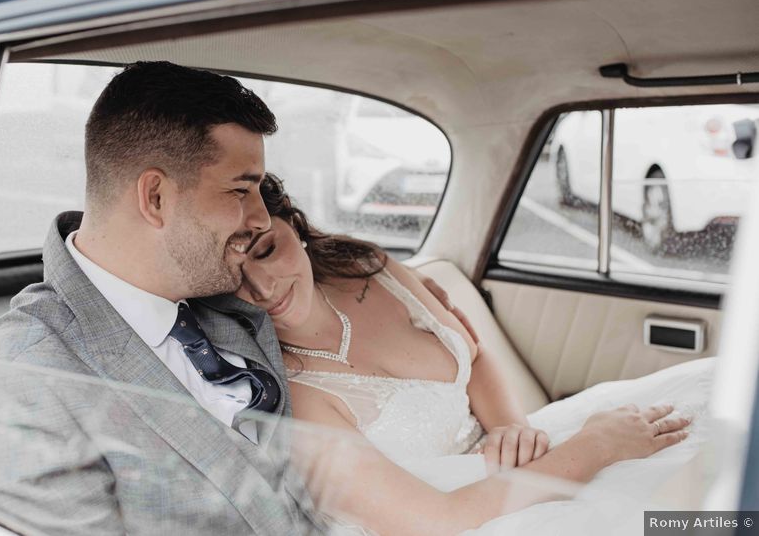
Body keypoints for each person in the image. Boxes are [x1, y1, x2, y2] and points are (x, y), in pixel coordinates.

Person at [0, 61, 315, 535]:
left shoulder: (224, 296)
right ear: (155, 197)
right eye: (240, 189)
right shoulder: (20, 383)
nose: (261, 218)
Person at [234, 174, 709, 536]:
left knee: (714, 451)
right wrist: (595, 447)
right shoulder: (296, 396)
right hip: (466, 519)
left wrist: (512, 428)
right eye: (233, 278)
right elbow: (436, 520)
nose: (262, 288)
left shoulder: (368, 268)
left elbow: (473, 356)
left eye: (267, 250)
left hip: (524, 464)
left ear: (292, 225)